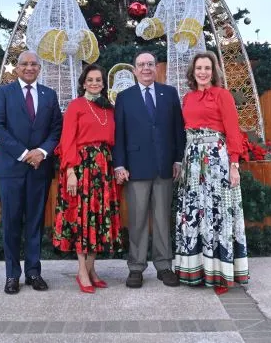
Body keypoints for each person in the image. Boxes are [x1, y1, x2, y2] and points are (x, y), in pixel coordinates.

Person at [174, 51, 249, 295]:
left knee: (217, 214)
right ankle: (196, 270)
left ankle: (221, 274)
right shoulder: (187, 98)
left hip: (217, 160)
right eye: (199, 68)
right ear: (193, 72)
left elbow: (233, 131)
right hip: (192, 161)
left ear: (213, 71)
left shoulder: (222, 95)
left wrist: (234, 164)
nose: (203, 72)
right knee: (196, 212)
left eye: (207, 68)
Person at [0, 51, 63, 295]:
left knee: (35, 223)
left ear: (39, 68)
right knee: (11, 223)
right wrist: (23, 153)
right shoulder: (4, 93)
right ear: (17, 67)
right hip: (12, 168)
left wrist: (41, 151)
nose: (29, 68)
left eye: (33, 64)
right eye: (24, 64)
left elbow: (56, 129)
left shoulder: (49, 95)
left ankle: (33, 272)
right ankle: (12, 275)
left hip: (39, 169)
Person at [113, 51, 185, 289]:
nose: (146, 68)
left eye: (150, 64)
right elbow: (119, 134)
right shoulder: (124, 97)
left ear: (156, 68)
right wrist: (120, 164)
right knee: (138, 220)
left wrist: (177, 159)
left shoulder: (169, 94)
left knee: (163, 219)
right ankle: (136, 267)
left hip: (165, 167)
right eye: (141, 64)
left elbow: (178, 130)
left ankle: (164, 266)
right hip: (136, 168)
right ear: (134, 70)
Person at [53, 64, 124, 293]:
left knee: (98, 218)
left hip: (103, 169)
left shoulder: (109, 109)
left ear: (104, 84)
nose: (94, 83)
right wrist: (71, 172)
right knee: (83, 219)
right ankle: (82, 271)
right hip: (81, 167)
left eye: (99, 80)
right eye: (90, 80)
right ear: (83, 83)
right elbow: (67, 140)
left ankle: (91, 269)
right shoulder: (76, 106)